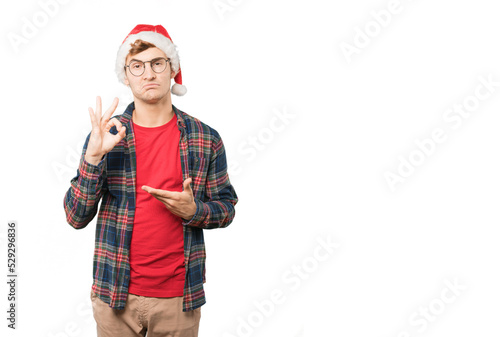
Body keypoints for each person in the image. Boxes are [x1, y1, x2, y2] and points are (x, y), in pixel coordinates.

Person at [63, 24, 238, 337]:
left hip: (178, 301)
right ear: (126, 75)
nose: (149, 73)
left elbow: (226, 208)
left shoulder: (205, 138)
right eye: (137, 65)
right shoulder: (107, 136)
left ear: (172, 70)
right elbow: (76, 217)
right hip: (115, 296)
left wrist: (194, 211)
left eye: (158, 63)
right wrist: (92, 160)